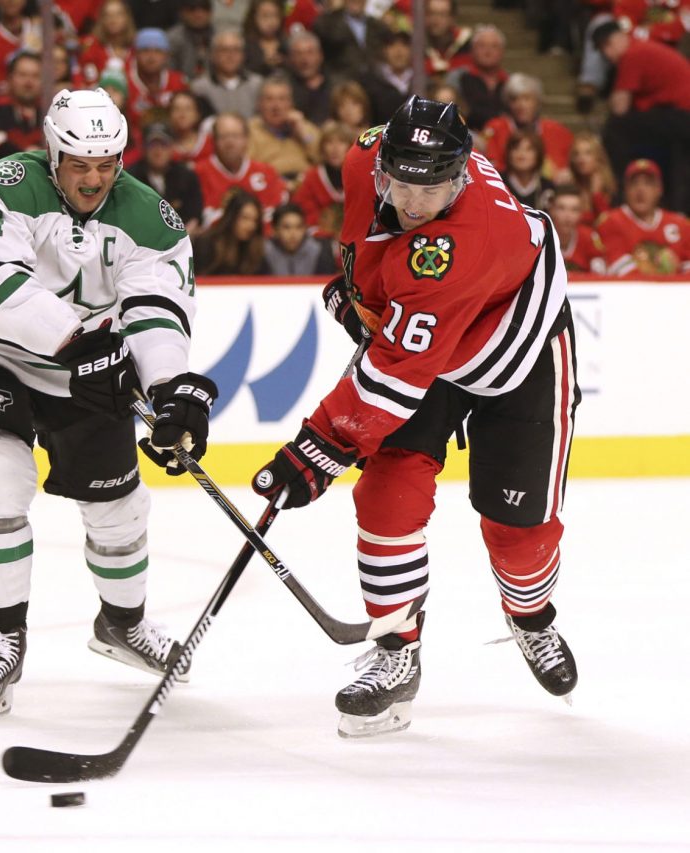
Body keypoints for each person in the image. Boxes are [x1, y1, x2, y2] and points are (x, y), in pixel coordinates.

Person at [251, 96, 580, 737]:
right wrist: (360, 293)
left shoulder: (467, 240)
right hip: (424, 338)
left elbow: (393, 377)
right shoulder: (362, 157)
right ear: (381, 166)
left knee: (519, 534)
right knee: (385, 497)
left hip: (516, 352)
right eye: (401, 183)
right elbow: (367, 250)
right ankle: (397, 653)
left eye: (433, 189)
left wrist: (314, 452)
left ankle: (531, 617)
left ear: (461, 175)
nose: (414, 203)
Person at [0, 87, 218, 721]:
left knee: (117, 505)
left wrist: (168, 388)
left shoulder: (151, 219)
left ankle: (122, 624)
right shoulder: (2, 185)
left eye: (106, 164)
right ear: (54, 153)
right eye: (78, 164)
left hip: (83, 371)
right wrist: (82, 341)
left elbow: (157, 307)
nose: (93, 179)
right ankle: (4, 636)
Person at [592, 20, 690, 214]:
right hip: (676, 117)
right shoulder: (644, 50)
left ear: (621, 38)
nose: (607, 54)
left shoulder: (633, 55)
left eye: (608, 45)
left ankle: (617, 194)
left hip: (681, 116)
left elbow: (620, 107)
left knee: (615, 128)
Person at [595, 159, 690, 276]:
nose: (640, 190)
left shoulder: (680, 224)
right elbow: (618, 267)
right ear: (625, 190)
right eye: (634, 183)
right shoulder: (611, 222)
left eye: (648, 183)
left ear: (659, 190)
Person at [195, 111, 288, 227]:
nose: (230, 142)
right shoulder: (197, 174)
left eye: (235, 136)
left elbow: (278, 218)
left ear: (246, 139)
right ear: (214, 141)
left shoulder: (266, 173)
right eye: (223, 136)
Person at [128, 121, 203, 236]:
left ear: (172, 147)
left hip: (182, 239)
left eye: (163, 144)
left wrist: (182, 240)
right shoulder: (130, 178)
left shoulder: (186, 176)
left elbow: (195, 216)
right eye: (152, 145)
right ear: (143, 148)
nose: (158, 151)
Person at [248, 73, 321, 190]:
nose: (276, 106)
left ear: (290, 104)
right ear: (259, 104)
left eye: (282, 99)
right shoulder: (249, 131)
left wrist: (302, 132)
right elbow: (247, 170)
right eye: (269, 99)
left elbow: (321, 157)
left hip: (306, 187)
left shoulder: (302, 126)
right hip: (270, 187)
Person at [190, 29, 263, 120]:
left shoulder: (257, 84)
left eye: (236, 50)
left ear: (243, 55)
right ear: (213, 55)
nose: (230, 55)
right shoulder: (200, 88)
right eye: (224, 50)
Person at [192, 189, 267, 274]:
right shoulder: (206, 244)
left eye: (255, 220)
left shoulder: (256, 250)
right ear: (231, 217)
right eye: (245, 218)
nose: (251, 226)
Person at [263, 202, 337, 275]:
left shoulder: (319, 251)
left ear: (305, 229)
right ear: (275, 230)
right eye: (286, 227)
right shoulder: (263, 252)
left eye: (298, 227)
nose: (293, 234)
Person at [548, 184, 607, 274]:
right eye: (561, 208)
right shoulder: (540, 239)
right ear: (552, 210)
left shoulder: (589, 238)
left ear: (581, 213)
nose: (567, 216)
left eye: (574, 210)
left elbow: (600, 276)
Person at [567, 130, 615, 226]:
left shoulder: (611, 190)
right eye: (577, 154)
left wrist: (596, 195)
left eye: (588, 153)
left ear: (598, 158)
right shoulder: (569, 188)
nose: (581, 159)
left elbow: (608, 225)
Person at [501, 129, 555, 211]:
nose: (521, 155)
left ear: (538, 155)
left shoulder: (548, 187)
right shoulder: (497, 182)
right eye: (516, 148)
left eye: (529, 149)